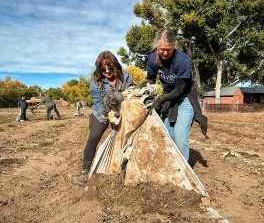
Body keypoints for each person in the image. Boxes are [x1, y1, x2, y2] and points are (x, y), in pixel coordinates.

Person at [146, 28, 207, 162]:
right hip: (169, 97)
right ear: (157, 46)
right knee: (167, 134)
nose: (165, 53)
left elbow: (179, 89)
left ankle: (183, 172)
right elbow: (150, 80)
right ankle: (172, 165)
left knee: (180, 137)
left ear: (174, 46)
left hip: (185, 97)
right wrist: (150, 94)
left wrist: (161, 100)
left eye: (169, 49)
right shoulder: (152, 59)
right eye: (162, 49)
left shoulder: (183, 60)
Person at [73, 51, 133, 185]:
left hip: (123, 110)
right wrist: (109, 117)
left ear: (115, 66)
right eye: (103, 69)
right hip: (101, 113)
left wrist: (121, 116)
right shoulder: (95, 82)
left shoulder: (126, 76)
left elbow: (131, 95)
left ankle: (124, 168)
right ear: (99, 69)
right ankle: (84, 172)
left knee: (126, 138)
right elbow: (99, 103)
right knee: (93, 138)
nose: (107, 72)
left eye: (110, 68)